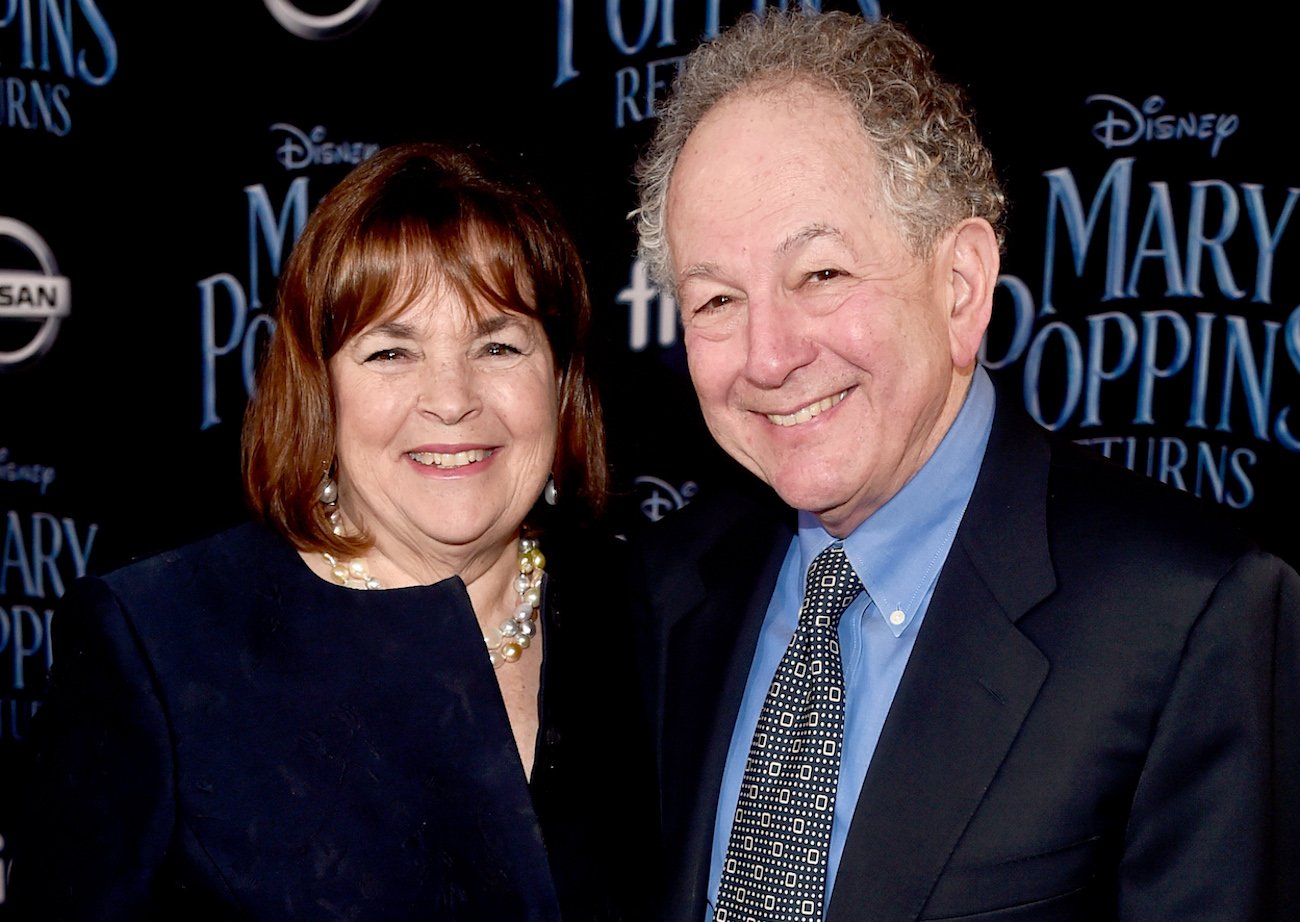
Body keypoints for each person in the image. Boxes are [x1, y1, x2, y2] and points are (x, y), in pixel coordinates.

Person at [627, 10, 1298, 921]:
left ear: (962, 284)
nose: (768, 355)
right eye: (715, 300)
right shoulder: (672, 587)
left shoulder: (1186, 616)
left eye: (820, 276)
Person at [6, 141, 656, 920]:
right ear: (320, 390)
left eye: (498, 344)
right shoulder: (159, 643)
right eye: (391, 350)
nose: (451, 399)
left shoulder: (653, 619)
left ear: (560, 379)